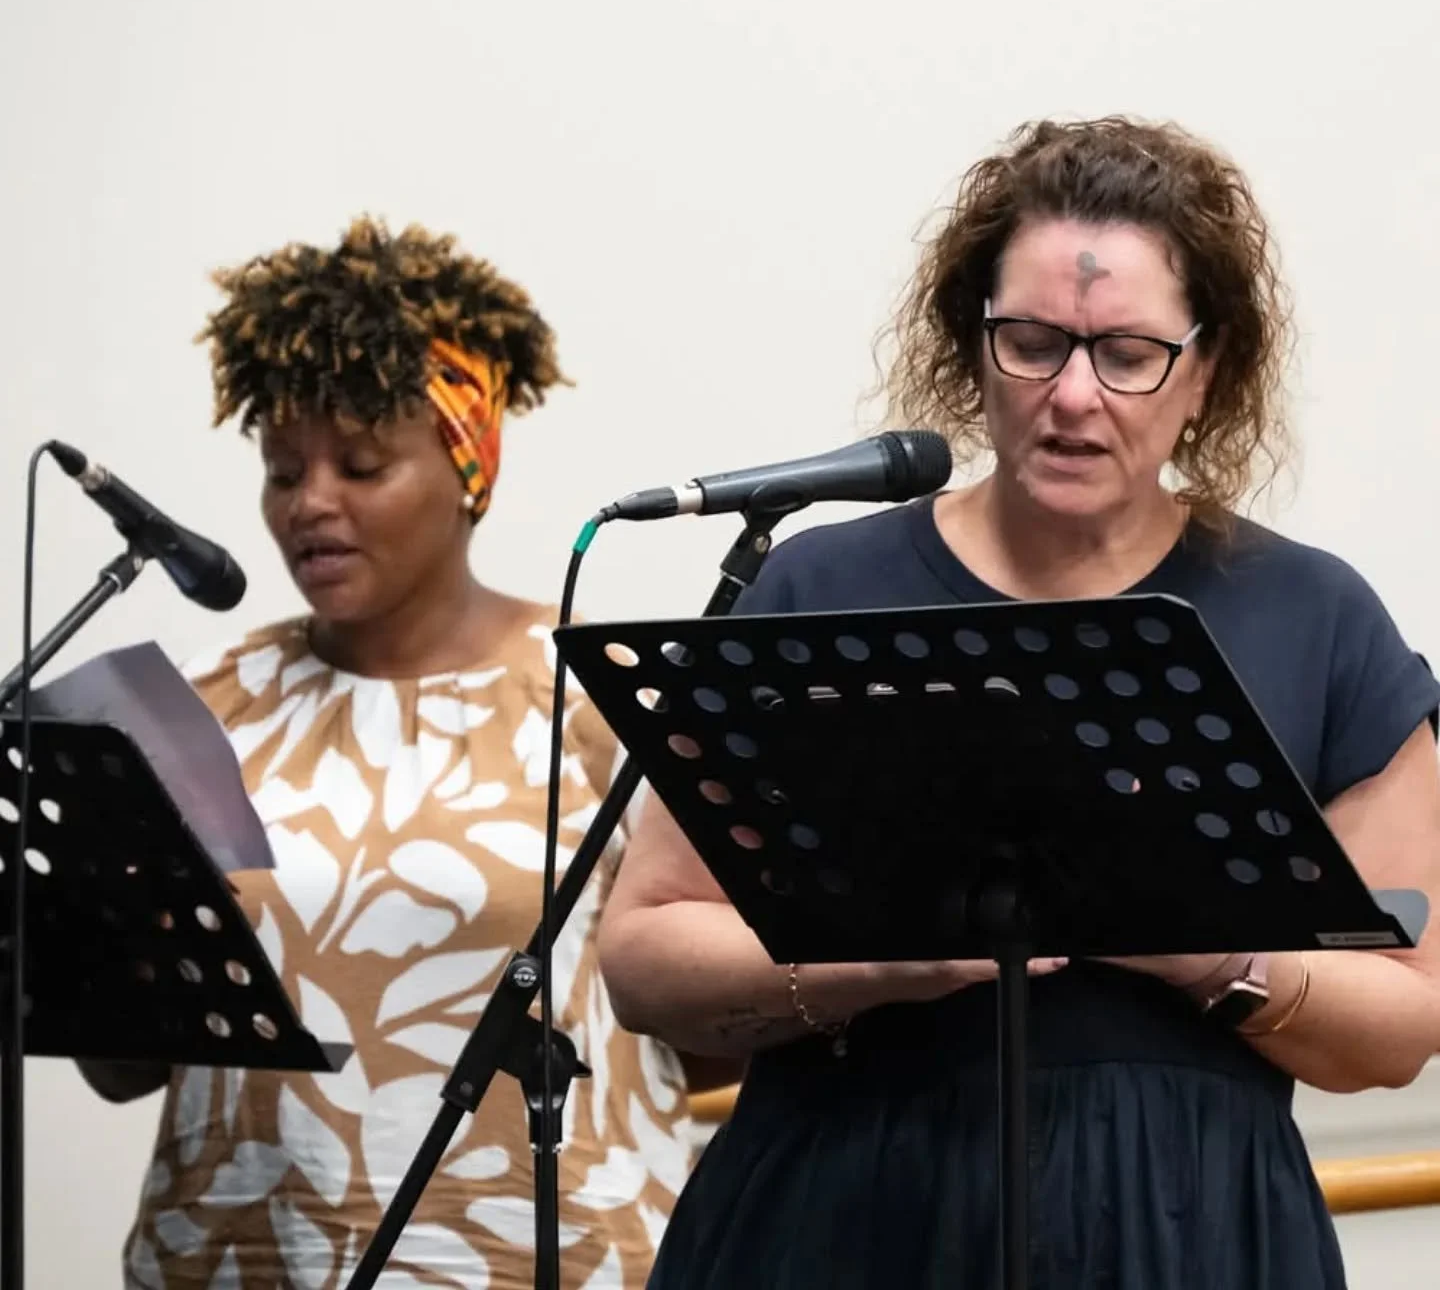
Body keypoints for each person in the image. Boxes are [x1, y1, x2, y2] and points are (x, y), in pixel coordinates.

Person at [595, 117, 1440, 1288]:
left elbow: (1403, 1024)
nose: (1073, 395)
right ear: (973, 345)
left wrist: (1203, 952)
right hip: (841, 1214)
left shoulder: (1316, 617)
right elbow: (642, 958)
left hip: (1187, 1229)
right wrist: (880, 963)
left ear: (1206, 372)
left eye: (1128, 355)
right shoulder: (817, 590)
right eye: (1031, 344)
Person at [84, 217, 697, 1289]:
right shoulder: (198, 710)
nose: (310, 502)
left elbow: (712, 1025)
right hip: (240, 1262)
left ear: (468, 468)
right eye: (283, 470)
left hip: (550, 1263)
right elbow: (121, 1066)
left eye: (361, 465)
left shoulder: (605, 700)